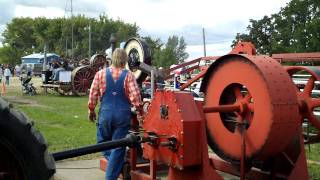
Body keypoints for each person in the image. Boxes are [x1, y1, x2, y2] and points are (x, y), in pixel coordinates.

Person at [88, 48, 142, 180]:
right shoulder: (129, 75)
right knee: (118, 147)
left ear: (112, 58)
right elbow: (136, 98)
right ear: (125, 60)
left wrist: (91, 110)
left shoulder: (100, 74)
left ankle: (111, 175)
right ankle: (119, 163)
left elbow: (93, 95)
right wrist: (140, 114)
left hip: (105, 114)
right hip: (122, 116)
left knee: (102, 142)